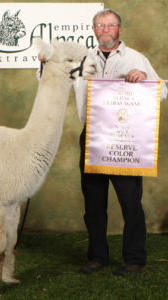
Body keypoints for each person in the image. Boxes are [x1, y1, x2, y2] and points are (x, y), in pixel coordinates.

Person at [74, 8, 168, 276]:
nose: (105, 30)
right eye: (100, 26)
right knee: (93, 203)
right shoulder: (82, 59)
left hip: (125, 139)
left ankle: (135, 259)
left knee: (130, 201)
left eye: (110, 25)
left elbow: (162, 91)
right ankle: (97, 257)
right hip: (92, 136)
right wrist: (45, 62)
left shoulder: (135, 57)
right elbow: (50, 78)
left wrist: (146, 78)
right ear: (94, 30)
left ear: (119, 29)